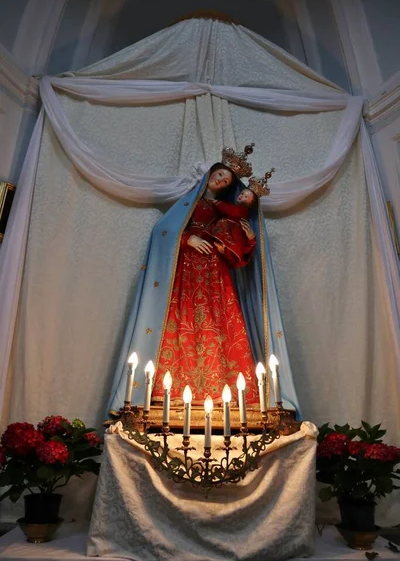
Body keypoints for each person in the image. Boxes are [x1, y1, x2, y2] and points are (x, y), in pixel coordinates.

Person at [107, 145, 301, 415]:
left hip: (215, 272)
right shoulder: (189, 204)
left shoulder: (225, 211)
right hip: (186, 270)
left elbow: (239, 256)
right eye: (220, 174)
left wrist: (250, 238)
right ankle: (173, 392)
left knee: (217, 323)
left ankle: (222, 392)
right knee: (181, 321)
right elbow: (163, 231)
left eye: (226, 181)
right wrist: (188, 238)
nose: (221, 180)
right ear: (210, 173)